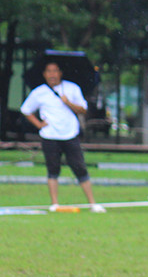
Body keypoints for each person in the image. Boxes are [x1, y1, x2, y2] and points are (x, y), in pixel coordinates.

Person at [20, 60, 105, 213]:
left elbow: (83, 109)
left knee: (80, 168)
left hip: (70, 134)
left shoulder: (72, 88)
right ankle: (55, 203)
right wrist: (39, 124)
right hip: (50, 135)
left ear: (60, 73)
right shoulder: (39, 92)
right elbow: (26, 110)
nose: (52, 75)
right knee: (53, 169)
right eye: (49, 71)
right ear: (44, 74)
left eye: (55, 71)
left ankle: (93, 203)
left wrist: (68, 103)